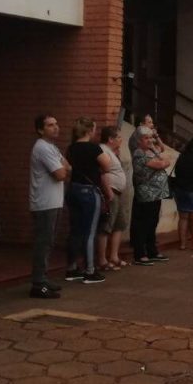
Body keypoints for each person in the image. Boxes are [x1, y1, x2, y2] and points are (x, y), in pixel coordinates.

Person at [65, 118, 112, 284]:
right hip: (89, 190)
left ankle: (71, 267)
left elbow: (69, 166)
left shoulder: (71, 148)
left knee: (75, 230)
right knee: (90, 231)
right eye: (94, 129)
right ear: (89, 131)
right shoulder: (93, 148)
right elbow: (107, 166)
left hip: (73, 189)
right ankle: (90, 270)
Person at [28, 114, 70, 300]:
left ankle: (43, 278)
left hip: (54, 201)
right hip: (44, 202)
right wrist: (63, 168)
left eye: (56, 123)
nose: (56, 127)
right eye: (50, 125)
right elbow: (61, 173)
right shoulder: (42, 148)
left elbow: (68, 166)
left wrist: (64, 167)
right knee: (43, 242)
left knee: (48, 241)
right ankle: (38, 283)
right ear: (40, 129)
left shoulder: (52, 147)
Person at [130, 125, 171, 265]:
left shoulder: (151, 150)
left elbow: (166, 157)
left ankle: (152, 251)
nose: (149, 140)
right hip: (146, 193)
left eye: (150, 137)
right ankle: (140, 254)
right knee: (143, 223)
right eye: (146, 138)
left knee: (152, 222)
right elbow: (159, 164)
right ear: (139, 140)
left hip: (156, 193)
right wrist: (163, 162)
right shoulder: (139, 153)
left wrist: (156, 142)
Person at [97, 126, 130, 269]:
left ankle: (114, 256)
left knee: (119, 224)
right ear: (110, 139)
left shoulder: (112, 151)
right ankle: (102, 260)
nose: (121, 140)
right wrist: (108, 191)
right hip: (111, 192)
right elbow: (103, 172)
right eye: (118, 137)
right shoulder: (103, 150)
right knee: (107, 226)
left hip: (118, 192)